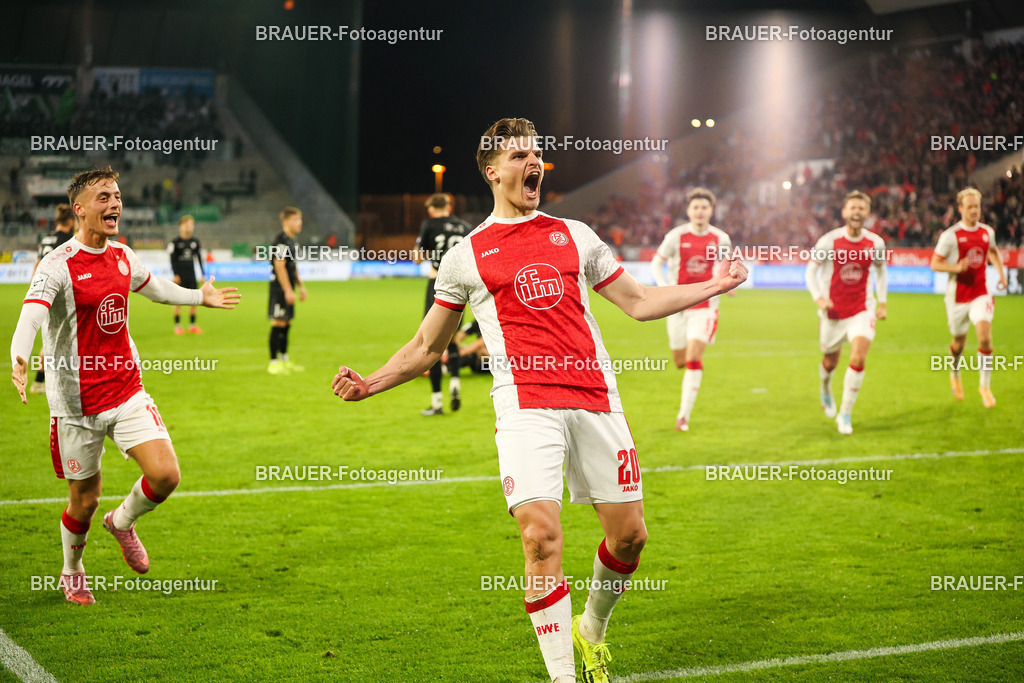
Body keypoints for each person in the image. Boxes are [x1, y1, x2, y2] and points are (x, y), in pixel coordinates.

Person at [332, 118, 747, 683]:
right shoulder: (466, 256)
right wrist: (371, 382)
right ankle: (562, 677)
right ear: (492, 170)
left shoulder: (575, 234)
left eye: (538, 153)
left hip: (596, 400)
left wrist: (714, 285)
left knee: (629, 537)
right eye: (522, 154)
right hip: (526, 410)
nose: (535, 163)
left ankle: (592, 629)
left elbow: (641, 301)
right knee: (539, 537)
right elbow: (429, 346)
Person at [9, 166, 240, 605]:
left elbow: (156, 289)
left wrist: (199, 297)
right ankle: (72, 569)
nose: (114, 203)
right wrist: (19, 357)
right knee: (84, 502)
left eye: (116, 196)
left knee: (166, 473)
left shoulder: (123, 255)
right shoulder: (57, 264)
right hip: (75, 404)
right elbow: (31, 316)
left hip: (125, 389)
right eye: (103, 197)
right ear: (79, 210)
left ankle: (123, 522)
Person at [805, 190, 888, 435]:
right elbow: (811, 271)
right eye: (852, 207)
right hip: (833, 313)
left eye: (861, 208)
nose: (857, 212)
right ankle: (825, 386)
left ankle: (845, 414)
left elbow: (882, 271)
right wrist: (819, 298)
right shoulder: (829, 241)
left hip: (863, 310)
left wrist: (882, 303)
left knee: (858, 358)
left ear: (867, 213)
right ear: (844, 212)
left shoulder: (875, 243)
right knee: (830, 362)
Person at [650, 187, 733, 432]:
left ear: (711, 211)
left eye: (704, 207)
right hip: (677, 306)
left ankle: (683, 416)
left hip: (705, 306)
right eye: (695, 207)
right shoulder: (676, 236)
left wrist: (728, 282)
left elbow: (727, 264)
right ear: (688, 210)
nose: (699, 211)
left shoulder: (721, 238)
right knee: (679, 361)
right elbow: (657, 262)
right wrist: (665, 287)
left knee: (694, 358)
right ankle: (684, 410)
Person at [930, 187, 1007, 407]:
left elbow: (992, 251)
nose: (975, 210)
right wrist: (955, 267)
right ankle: (954, 373)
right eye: (970, 206)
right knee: (958, 343)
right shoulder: (950, 236)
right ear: (961, 208)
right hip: (957, 298)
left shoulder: (986, 232)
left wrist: (1001, 274)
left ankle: (985, 386)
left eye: (977, 206)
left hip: (980, 293)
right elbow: (934, 263)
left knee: (984, 337)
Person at [414, 193, 471, 414]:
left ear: (430, 209)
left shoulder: (428, 224)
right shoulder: (465, 226)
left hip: (437, 283)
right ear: (449, 206)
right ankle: (455, 383)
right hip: (460, 286)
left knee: (433, 342)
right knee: (453, 339)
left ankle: (437, 401)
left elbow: (418, 257)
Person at [28, 204, 76, 394]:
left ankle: (43, 381)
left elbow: (38, 264)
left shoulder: (46, 238)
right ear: (71, 221)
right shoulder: (68, 240)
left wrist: (33, 289)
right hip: (59, 293)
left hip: (42, 291)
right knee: (60, 338)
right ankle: (42, 381)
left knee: (54, 337)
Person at [267, 207, 307, 375]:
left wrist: (301, 286)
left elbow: (292, 267)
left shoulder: (292, 241)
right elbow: (279, 266)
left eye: (300, 219)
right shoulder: (281, 241)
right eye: (296, 220)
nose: (300, 223)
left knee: (287, 322)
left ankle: (284, 359)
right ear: (286, 222)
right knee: (278, 322)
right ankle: (273, 362)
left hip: (287, 287)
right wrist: (288, 290)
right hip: (279, 289)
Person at [167, 214, 205, 335]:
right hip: (180, 276)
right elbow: (172, 260)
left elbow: (199, 258)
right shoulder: (175, 242)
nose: (189, 227)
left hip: (192, 275)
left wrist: (202, 274)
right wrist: (175, 274)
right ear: (181, 226)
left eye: (191, 225)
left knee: (194, 301)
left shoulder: (195, 241)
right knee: (178, 301)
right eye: (187, 224)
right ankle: (177, 326)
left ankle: (192, 325)